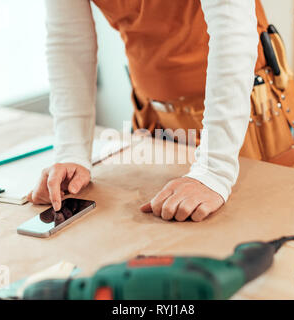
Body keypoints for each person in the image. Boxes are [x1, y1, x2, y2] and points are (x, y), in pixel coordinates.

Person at [28, 0, 262, 222]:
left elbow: (233, 34)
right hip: (154, 115)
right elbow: (69, 41)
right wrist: (72, 152)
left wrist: (215, 170)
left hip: (239, 113)